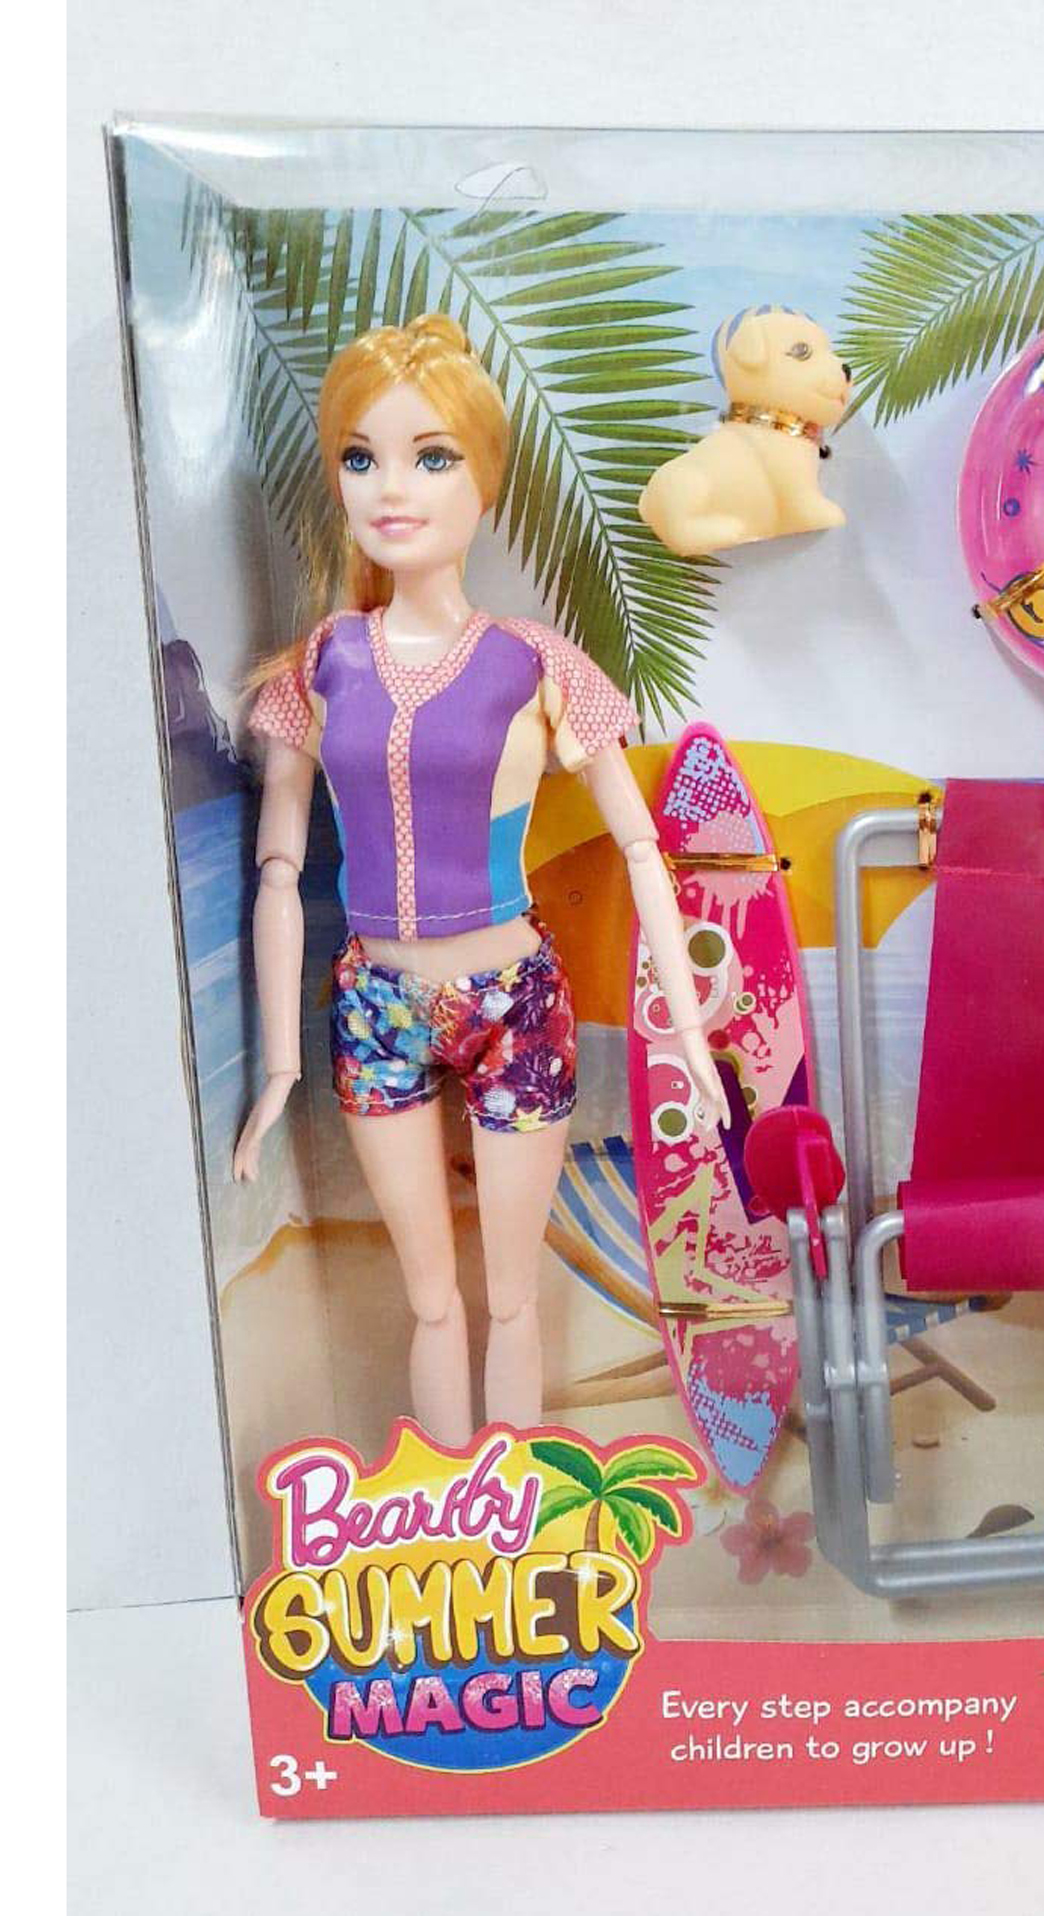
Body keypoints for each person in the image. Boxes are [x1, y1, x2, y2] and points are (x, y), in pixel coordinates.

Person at [233, 313, 725, 1443]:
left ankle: (515, 1504)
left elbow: (640, 846)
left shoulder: (535, 662)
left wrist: (689, 1028)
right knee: (429, 1296)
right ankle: (451, 1506)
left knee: (510, 1295)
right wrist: (277, 1069)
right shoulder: (321, 664)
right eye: (362, 457)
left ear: (483, 479)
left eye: (431, 456)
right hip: (374, 1001)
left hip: (514, 1001)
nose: (392, 489)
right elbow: (278, 869)